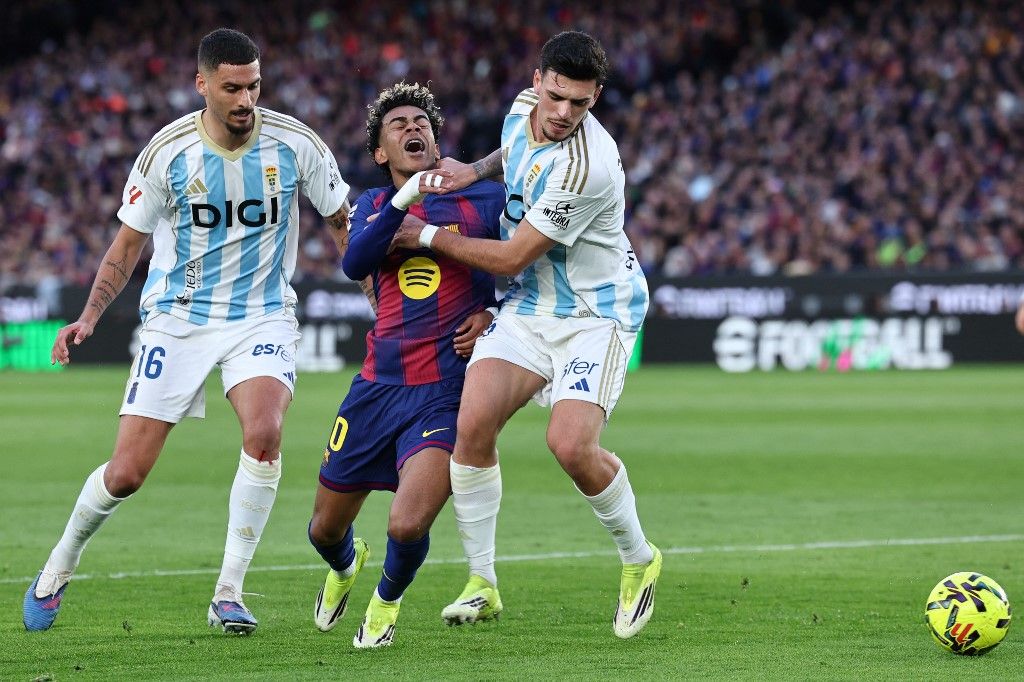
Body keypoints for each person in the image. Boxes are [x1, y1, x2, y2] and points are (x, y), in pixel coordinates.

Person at [23, 28, 352, 635]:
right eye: (231, 88)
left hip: (262, 313)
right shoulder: (168, 153)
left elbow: (341, 223)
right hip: (178, 320)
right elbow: (127, 245)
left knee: (265, 432)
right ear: (202, 85)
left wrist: (379, 299)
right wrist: (90, 316)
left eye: (254, 85)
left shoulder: (297, 144)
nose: (246, 99)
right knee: (127, 473)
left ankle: (229, 589)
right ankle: (58, 564)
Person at [391, 30, 661, 639]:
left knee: (569, 445)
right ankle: (482, 582)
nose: (565, 113)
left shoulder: (589, 168)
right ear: (538, 81)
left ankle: (639, 558)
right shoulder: (522, 109)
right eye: (557, 97)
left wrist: (425, 237)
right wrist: (471, 172)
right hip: (531, 307)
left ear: (596, 100)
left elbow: (513, 257)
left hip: (595, 314)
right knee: (473, 424)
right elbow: (510, 153)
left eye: (582, 104)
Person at [307, 82, 503, 648]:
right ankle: (346, 565)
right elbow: (355, 262)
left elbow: (530, 269)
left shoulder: (485, 201)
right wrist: (404, 200)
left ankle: (385, 602)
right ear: (380, 153)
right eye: (397, 125)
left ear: (435, 136)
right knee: (323, 530)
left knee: (407, 522)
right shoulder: (372, 205)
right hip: (375, 388)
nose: (412, 127)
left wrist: (494, 313)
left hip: (446, 390)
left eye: (421, 120)